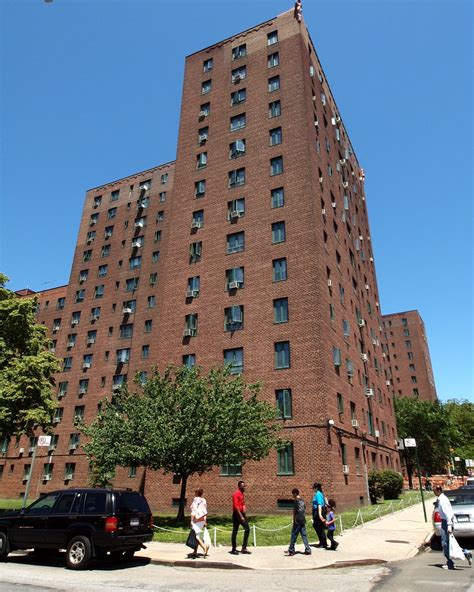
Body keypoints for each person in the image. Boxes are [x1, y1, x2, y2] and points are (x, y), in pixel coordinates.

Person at [285, 488, 311, 556]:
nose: (292, 496)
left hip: (297, 520)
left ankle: (291, 550)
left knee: (294, 535)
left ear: (295, 493)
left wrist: (293, 520)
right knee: (304, 535)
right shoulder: (302, 500)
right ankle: (308, 549)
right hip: (303, 520)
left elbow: (294, 511)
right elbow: (304, 509)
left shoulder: (296, 501)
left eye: (293, 494)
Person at [434, 485, 454, 569]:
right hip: (445, 522)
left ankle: (450, 563)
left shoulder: (443, 501)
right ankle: (465, 553)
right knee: (449, 543)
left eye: (434, 491)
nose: (433, 492)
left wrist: (449, 525)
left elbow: (448, 513)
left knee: (445, 543)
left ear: (439, 491)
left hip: (446, 522)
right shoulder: (441, 499)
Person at [230, 480, 251, 555]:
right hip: (236, 515)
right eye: (243, 486)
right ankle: (233, 549)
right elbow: (236, 506)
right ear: (239, 486)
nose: (244, 487)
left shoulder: (242, 494)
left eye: (245, 486)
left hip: (242, 514)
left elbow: (242, 503)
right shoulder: (236, 494)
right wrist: (241, 516)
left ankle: (244, 548)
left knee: (247, 529)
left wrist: (244, 506)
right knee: (235, 532)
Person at [190, 488, 209, 558]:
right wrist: (205, 521)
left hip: (196, 520)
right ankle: (195, 551)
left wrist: (192, 520)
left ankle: (204, 547)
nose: (194, 492)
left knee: (196, 536)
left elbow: (194, 511)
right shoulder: (204, 500)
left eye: (195, 491)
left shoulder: (195, 499)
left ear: (197, 493)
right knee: (197, 535)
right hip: (202, 519)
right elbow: (205, 510)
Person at [312, 482, 328, 548]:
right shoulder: (319, 493)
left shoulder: (318, 494)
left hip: (318, 511)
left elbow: (319, 504)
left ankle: (323, 543)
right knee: (317, 526)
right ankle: (322, 542)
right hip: (317, 511)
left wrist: (319, 514)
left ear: (316, 488)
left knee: (319, 527)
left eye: (313, 488)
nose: (313, 489)